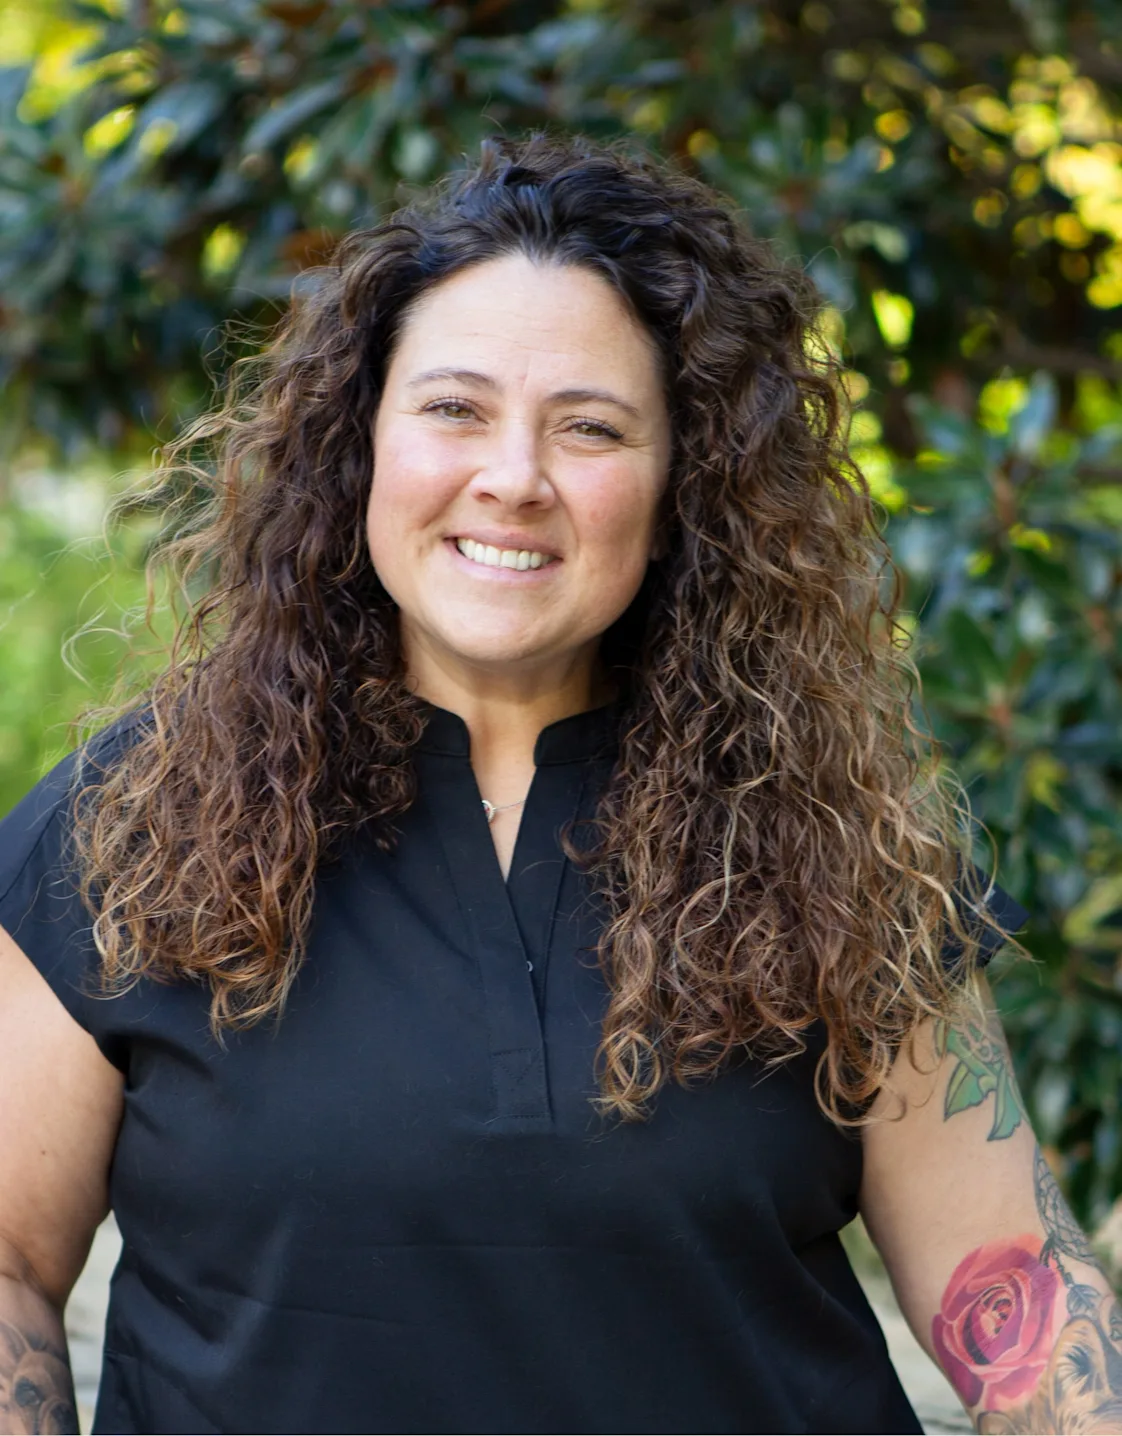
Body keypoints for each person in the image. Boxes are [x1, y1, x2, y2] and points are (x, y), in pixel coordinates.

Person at [0, 132, 1117, 1436]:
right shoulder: (128, 826)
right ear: (361, 444)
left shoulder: (838, 852)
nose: (513, 477)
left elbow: (1019, 1303)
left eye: (588, 427)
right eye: (453, 408)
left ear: (681, 485)